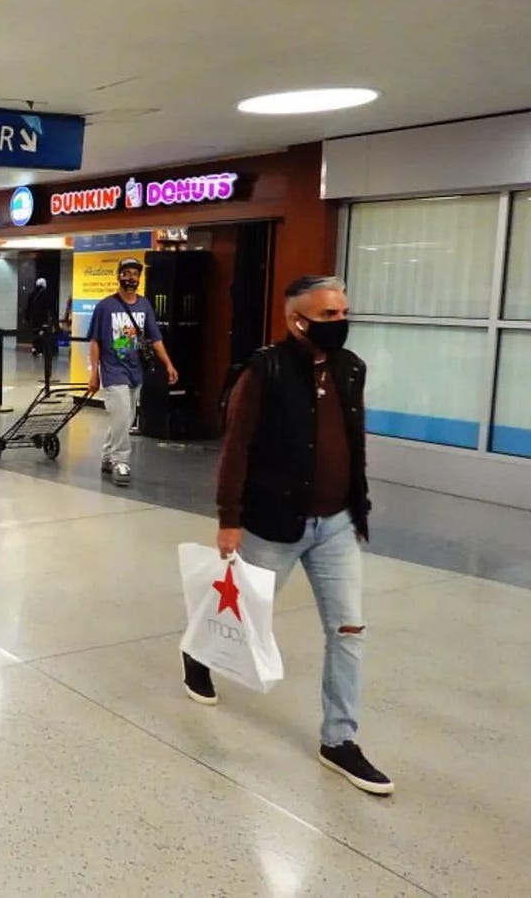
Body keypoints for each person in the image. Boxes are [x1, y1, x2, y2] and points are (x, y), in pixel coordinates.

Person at [189, 275, 391, 796]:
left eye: (343, 311)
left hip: (337, 524)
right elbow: (236, 447)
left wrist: (358, 502)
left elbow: (354, 441)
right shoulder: (265, 371)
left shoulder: (351, 370)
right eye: (327, 315)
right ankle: (198, 654)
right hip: (275, 523)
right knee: (242, 613)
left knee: (349, 631)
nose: (339, 322)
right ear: (295, 319)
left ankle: (339, 740)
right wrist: (228, 517)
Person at [87, 258, 179, 487]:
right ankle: (121, 461)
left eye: (135, 274)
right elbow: (95, 341)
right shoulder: (105, 306)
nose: (130, 278)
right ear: (118, 276)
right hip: (113, 370)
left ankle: (108, 456)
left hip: (135, 370)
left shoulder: (144, 305)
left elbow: (155, 338)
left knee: (125, 418)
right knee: (121, 414)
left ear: (139, 278)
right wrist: (94, 373)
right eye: (126, 273)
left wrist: (168, 364)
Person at [24, 277, 59, 382]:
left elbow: (28, 306)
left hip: (34, 318)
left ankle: (35, 348)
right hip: (43, 317)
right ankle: (45, 349)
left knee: (35, 332)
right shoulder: (46, 294)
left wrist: (26, 317)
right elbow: (51, 306)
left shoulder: (32, 294)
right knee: (44, 333)